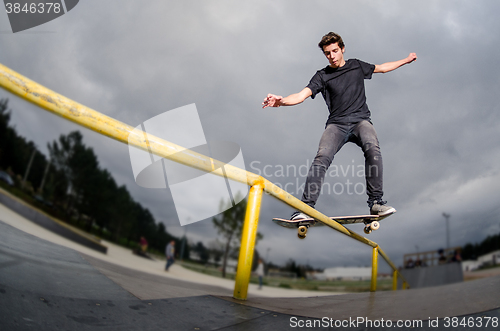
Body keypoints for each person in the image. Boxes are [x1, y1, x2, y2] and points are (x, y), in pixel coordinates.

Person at [262, 32, 417, 219]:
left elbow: (382, 68)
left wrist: (406, 60)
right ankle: (306, 209)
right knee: (321, 158)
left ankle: (376, 203)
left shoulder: (356, 66)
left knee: (372, 148)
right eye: (327, 53)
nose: (332, 56)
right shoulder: (322, 76)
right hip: (337, 124)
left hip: (361, 120)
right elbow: (301, 95)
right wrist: (281, 101)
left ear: (342, 49)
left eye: (335, 51)